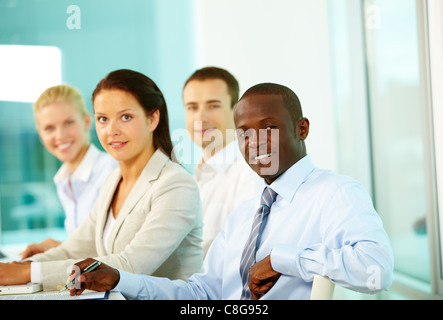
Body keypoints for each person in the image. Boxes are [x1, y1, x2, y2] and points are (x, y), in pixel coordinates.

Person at [68, 82, 394, 300]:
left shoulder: (335, 193)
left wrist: (283, 259)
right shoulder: (245, 214)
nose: (255, 143)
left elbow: (376, 270)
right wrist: (120, 280)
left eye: (269, 127)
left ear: (302, 128)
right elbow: (202, 293)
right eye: (244, 133)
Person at [0, 69, 203, 291]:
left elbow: (130, 265)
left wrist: (29, 272)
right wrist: (17, 267)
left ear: (152, 118)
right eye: (103, 119)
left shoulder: (175, 184)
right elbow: (73, 249)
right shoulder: (114, 181)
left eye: (126, 117)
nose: (111, 130)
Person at [19, 84, 118, 259]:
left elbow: (117, 250)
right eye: (49, 128)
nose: (60, 135)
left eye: (68, 123)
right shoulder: (63, 181)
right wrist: (58, 248)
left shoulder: (111, 169)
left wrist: (59, 248)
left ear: (87, 121)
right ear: (40, 134)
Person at [182, 67, 261, 255]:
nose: (200, 117)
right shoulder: (196, 176)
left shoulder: (251, 172)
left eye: (213, 106)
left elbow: (243, 253)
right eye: (192, 107)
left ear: (237, 111)